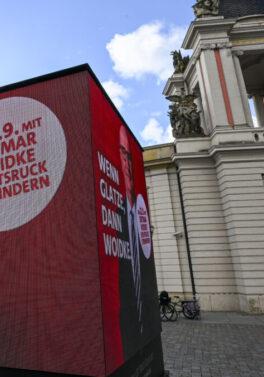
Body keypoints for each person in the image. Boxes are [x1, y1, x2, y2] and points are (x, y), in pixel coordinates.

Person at [117, 126, 159, 360]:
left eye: (130, 157)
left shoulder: (141, 209)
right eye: (123, 155)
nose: (128, 163)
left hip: (149, 327)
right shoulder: (114, 212)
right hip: (129, 332)